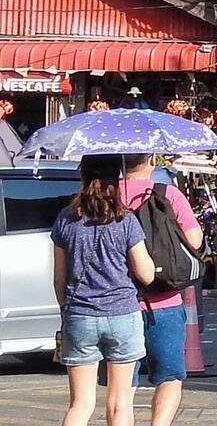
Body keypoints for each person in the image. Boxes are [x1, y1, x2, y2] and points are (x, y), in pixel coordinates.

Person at [52, 155, 157, 426]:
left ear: (83, 177)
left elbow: (59, 280)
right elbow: (145, 274)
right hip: (122, 314)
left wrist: (68, 310)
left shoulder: (66, 219)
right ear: (117, 178)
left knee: (80, 404)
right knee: (120, 404)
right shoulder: (126, 220)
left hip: (80, 315)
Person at [117, 154, 202, 426]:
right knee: (169, 378)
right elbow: (195, 240)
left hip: (119, 304)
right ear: (151, 159)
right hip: (164, 300)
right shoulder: (168, 194)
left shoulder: (107, 196)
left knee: (122, 390)